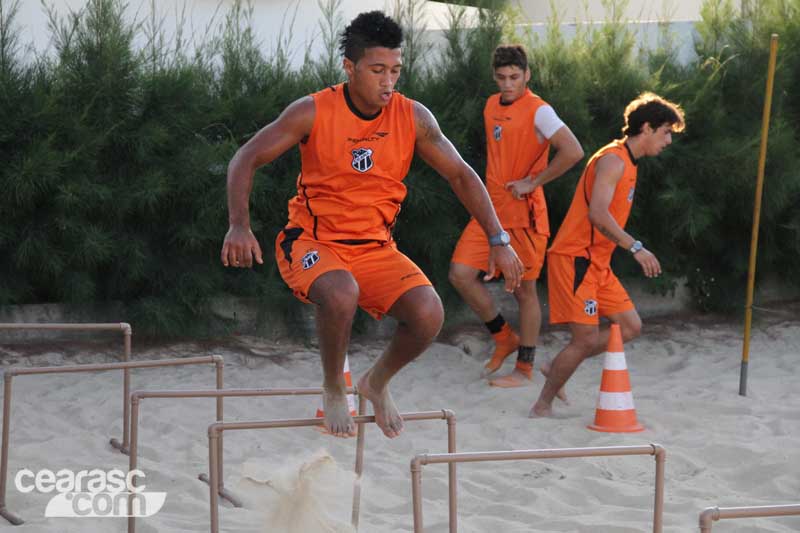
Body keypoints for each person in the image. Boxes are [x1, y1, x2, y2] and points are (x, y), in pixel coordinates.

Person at [220, 11, 524, 438]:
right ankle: (332, 388)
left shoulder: (413, 117)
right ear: (351, 67)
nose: (388, 81)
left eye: (396, 71)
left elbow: (460, 174)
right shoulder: (313, 110)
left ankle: (375, 383)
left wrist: (498, 238)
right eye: (378, 70)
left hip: (374, 247)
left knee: (427, 313)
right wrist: (239, 224)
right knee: (342, 292)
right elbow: (245, 157)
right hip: (312, 240)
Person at [530, 92, 685, 417]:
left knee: (630, 326)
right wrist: (636, 248)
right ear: (646, 128)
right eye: (666, 131)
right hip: (575, 259)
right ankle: (542, 404)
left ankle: (556, 365)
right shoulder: (613, 160)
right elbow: (598, 215)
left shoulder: (629, 162)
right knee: (584, 339)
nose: (669, 140)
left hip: (597, 264)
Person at [448, 45, 583, 388]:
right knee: (461, 274)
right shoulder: (491, 105)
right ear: (494, 77)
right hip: (490, 212)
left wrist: (533, 181)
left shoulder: (540, 111)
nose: (507, 84)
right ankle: (503, 337)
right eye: (501, 77)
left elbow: (574, 150)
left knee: (525, 292)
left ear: (527, 76)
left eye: (514, 77)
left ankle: (524, 369)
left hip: (524, 216)